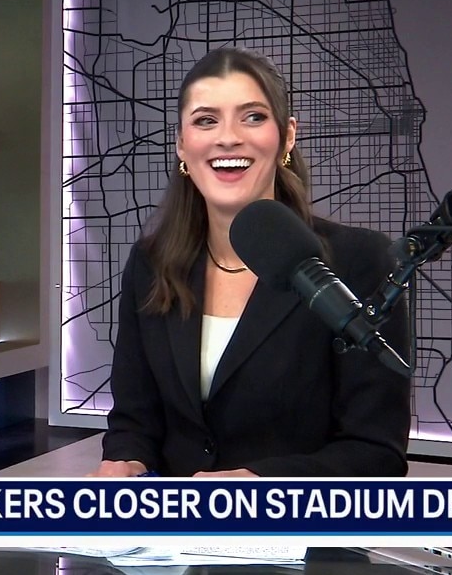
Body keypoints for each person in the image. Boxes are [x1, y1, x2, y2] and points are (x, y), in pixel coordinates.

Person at [91, 47, 411, 478]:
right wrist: (126, 462)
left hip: (297, 519)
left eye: (253, 117)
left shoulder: (359, 262)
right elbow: (134, 420)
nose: (228, 137)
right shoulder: (150, 263)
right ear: (182, 144)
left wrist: (258, 483)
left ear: (287, 136)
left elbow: (376, 453)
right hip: (174, 519)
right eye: (206, 120)